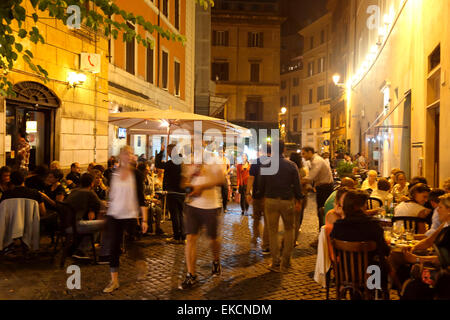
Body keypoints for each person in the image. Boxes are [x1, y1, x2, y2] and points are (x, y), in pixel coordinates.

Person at [101, 146, 148, 293]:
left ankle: (140, 262)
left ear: (132, 156)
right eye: (124, 153)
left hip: (129, 214)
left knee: (131, 244)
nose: (127, 156)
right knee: (113, 247)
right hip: (114, 214)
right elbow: (112, 194)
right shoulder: (112, 173)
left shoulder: (137, 175)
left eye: (130, 154)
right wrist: (107, 209)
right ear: (120, 156)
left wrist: (144, 219)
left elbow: (141, 198)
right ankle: (114, 280)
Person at [330, 190, 391, 295]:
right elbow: (385, 251)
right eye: (365, 204)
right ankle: (377, 294)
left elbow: (335, 253)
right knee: (383, 264)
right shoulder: (373, 226)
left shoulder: (338, 226)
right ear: (361, 207)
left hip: (346, 272)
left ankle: (355, 294)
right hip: (372, 273)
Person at [180, 153, 225, 289]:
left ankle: (216, 260)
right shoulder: (190, 161)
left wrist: (202, 186)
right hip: (192, 205)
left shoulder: (214, 160)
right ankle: (191, 274)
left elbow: (220, 179)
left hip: (210, 206)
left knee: (213, 239)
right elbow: (183, 184)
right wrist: (189, 183)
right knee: (190, 238)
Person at [260, 140, 303, 273]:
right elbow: (297, 185)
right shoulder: (291, 165)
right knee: (289, 230)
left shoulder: (266, 165)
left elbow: (261, 185)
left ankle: (275, 262)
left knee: (272, 231)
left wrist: (262, 198)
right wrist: (299, 201)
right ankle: (286, 261)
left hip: (271, 200)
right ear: (284, 149)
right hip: (286, 200)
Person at [64, 173, 104, 259]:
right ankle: (82, 250)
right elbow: (101, 205)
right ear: (92, 183)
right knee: (105, 223)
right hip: (74, 226)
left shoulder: (74, 191)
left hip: (64, 224)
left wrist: (91, 210)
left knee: (92, 224)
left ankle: (77, 247)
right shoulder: (89, 192)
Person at [156, 143, 185, 244]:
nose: (167, 154)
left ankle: (176, 236)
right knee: (181, 214)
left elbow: (158, 164)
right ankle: (183, 236)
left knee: (174, 215)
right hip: (182, 192)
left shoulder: (171, 163)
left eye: (168, 152)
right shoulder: (182, 161)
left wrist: (161, 152)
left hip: (172, 192)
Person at [301, 146, 334, 231]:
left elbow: (311, 177)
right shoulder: (314, 160)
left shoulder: (317, 161)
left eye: (304, 153)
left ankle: (323, 233)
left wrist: (299, 181)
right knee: (321, 211)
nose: (303, 156)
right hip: (322, 187)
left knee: (322, 211)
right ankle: (322, 233)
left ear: (310, 152)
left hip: (325, 188)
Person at [247, 146, 271, 254]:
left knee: (256, 218)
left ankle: (255, 236)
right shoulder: (274, 162)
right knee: (267, 221)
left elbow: (251, 177)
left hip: (257, 195)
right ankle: (265, 245)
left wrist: (248, 193)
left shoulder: (256, 162)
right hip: (269, 196)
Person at [289, 152, 309, 247]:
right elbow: (306, 182)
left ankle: (288, 237)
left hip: (289, 196)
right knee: (298, 218)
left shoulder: (288, 169)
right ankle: (293, 240)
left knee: (290, 218)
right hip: (301, 195)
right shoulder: (302, 171)